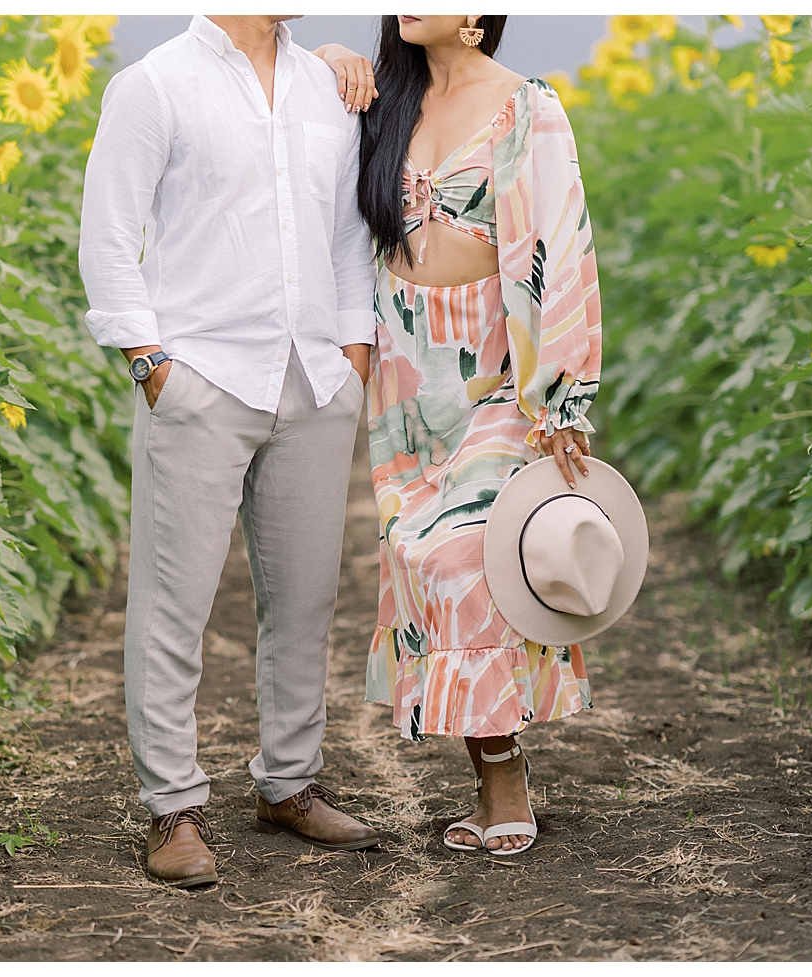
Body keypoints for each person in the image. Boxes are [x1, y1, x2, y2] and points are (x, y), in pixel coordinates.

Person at [78, 14, 380, 889]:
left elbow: (346, 237)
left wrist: (351, 356)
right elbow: (109, 235)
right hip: (202, 376)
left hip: (314, 379)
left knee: (307, 596)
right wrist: (150, 361)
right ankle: (174, 806)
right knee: (177, 604)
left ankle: (287, 783)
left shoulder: (331, 88)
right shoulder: (154, 84)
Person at [326, 15, 603, 857]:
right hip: (405, 364)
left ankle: (504, 778)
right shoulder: (383, 102)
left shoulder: (528, 108)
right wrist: (331, 61)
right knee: (417, 553)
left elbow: (563, 241)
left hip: (492, 361)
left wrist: (561, 398)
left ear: (481, 16)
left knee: (469, 554)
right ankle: (486, 770)